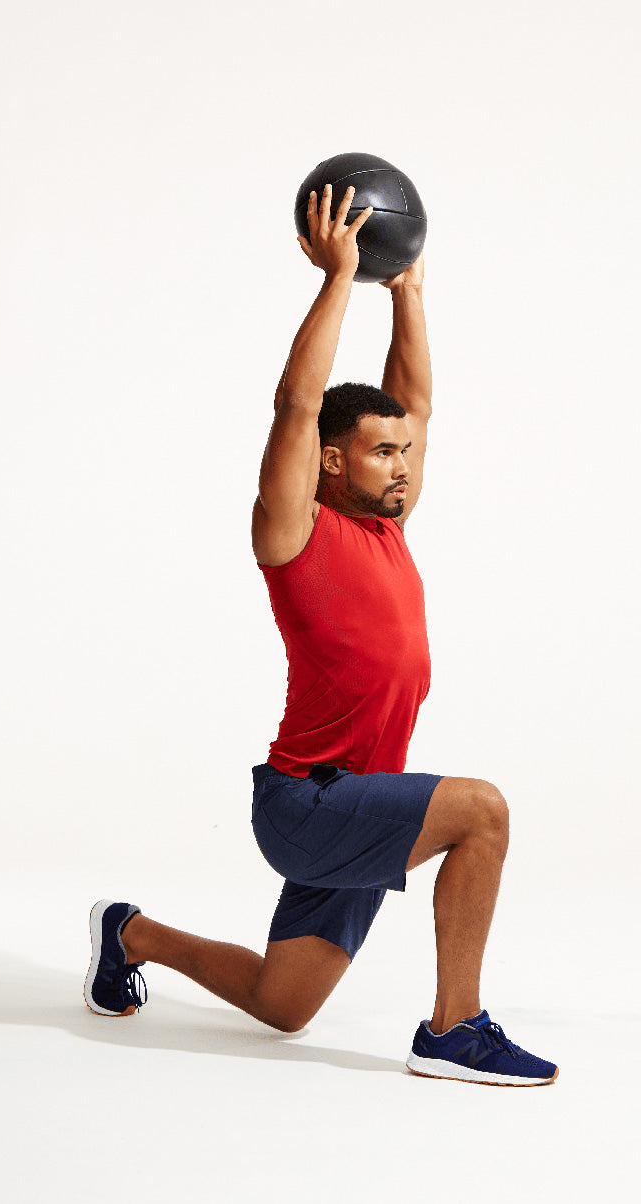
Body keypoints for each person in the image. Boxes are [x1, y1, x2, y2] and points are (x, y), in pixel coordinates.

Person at [84, 181, 558, 1085]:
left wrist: (407, 291)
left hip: (357, 799)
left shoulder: (388, 524)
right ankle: (455, 1028)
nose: (403, 467)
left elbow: (416, 403)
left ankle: (130, 933)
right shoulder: (293, 531)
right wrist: (340, 277)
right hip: (308, 804)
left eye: (405, 454)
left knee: (283, 1005)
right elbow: (296, 407)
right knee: (482, 811)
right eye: (383, 453)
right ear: (332, 461)